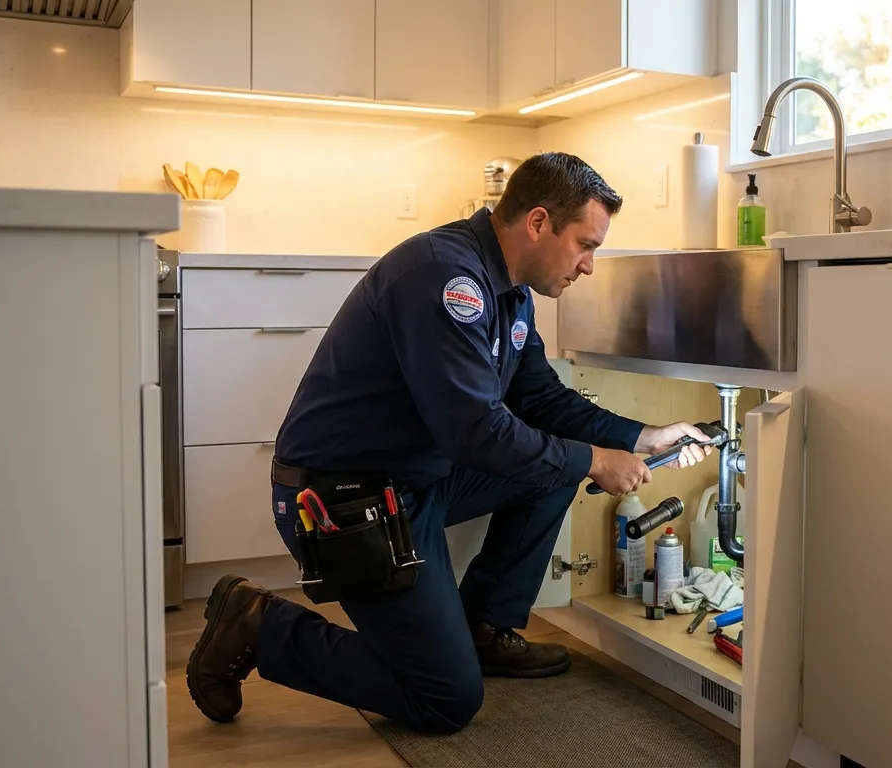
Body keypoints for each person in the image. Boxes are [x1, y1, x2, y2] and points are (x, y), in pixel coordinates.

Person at [185, 152, 713, 736]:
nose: (589, 265)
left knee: (554, 466)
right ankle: (259, 625)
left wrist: (642, 435)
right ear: (538, 223)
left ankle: (483, 628)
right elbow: (476, 431)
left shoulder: (510, 289)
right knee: (444, 700)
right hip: (343, 504)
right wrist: (594, 458)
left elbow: (540, 398)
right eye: (585, 245)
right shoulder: (443, 278)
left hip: (417, 481)